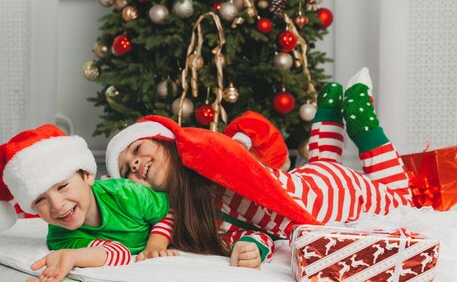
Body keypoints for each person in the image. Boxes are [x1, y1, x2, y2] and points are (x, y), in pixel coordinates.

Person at [105, 68, 413, 269]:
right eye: (126, 171)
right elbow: (258, 233)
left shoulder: (211, 158)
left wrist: (239, 144)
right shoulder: (194, 214)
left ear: (165, 141)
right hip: (313, 185)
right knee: (324, 163)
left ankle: (362, 124)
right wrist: (251, 247)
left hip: (320, 195)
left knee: (402, 200)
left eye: (137, 148)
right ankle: (330, 111)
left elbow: (251, 145)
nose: (133, 164)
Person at [0, 124, 174, 282]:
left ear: (87, 175)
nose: (57, 205)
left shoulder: (127, 193)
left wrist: (155, 246)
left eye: (63, 186)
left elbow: (171, 212)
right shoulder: (60, 237)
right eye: (40, 199)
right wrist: (73, 256)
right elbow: (118, 252)